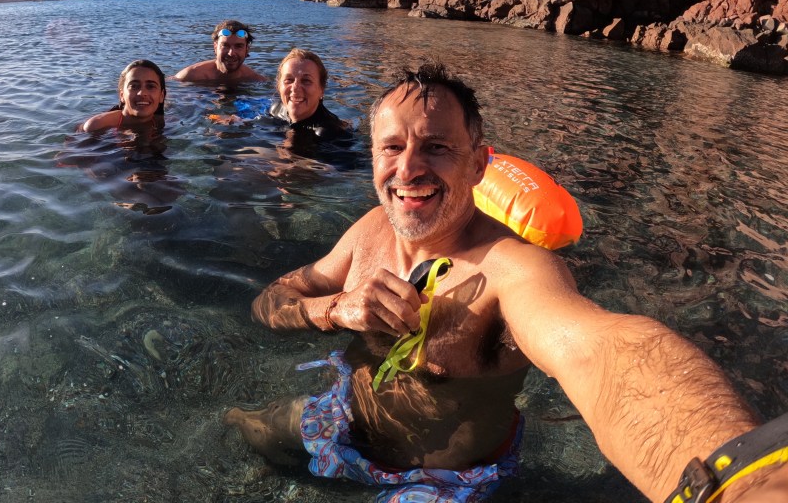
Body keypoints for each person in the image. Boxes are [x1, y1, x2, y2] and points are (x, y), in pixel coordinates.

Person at [226, 63, 788, 503]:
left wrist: (744, 483)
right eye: (392, 147)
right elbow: (270, 302)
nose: (408, 169)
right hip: (346, 416)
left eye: (437, 147)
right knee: (243, 429)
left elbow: (602, 352)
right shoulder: (370, 230)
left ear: (478, 164)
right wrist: (335, 309)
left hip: (443, 479)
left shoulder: (513, 269)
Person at [271, 48, 350, 139]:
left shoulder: (328, 133)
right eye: (289, 80)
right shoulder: (276, 110)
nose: (295, 88)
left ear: (322, 90)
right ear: (279, 86)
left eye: (306, 80)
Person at [79, 59, 166, 133]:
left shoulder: (165, 122)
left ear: (161, 96)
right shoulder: (97, 126)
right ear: (122, 95)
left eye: (150, 86)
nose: (142, 93)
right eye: (134, 86)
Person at [173, 20, 266, 84]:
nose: (231, 53)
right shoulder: (190, 76)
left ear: (247, 50)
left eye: (238, 46)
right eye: (225, 45)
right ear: (215, 47)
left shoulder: (256, 79)